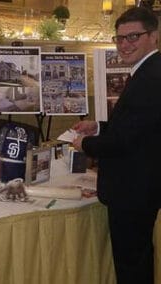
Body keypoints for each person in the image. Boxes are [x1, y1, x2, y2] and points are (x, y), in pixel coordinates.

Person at [71, 7, 161, 284]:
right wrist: (98, 127)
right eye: (119, 38)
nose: (124, 44)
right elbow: (138, 128)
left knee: (132, 264)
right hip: (141, 186)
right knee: (136, 259)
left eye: (133, 36)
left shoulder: (151, 76)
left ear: (154, 36)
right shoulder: (146, 70)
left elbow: (125, 141)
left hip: (134, 190)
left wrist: (85, 143)